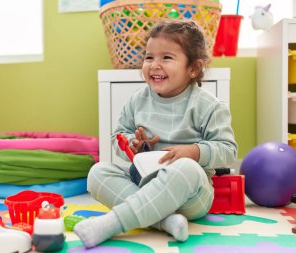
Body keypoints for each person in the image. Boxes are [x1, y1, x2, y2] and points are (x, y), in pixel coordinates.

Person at [74, 20, 238, 248]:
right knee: (97, 172)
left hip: (191, 195)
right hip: (143, 182)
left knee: (186, 168)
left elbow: (229, 151)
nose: (154, 65)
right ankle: (164, 222)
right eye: (149, 57)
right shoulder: (138, 100)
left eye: (167, 58)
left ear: (193, 68)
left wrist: (193, 151)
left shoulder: (209, 106)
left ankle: (112, 223)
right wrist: (133, 145)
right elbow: (119, 135)